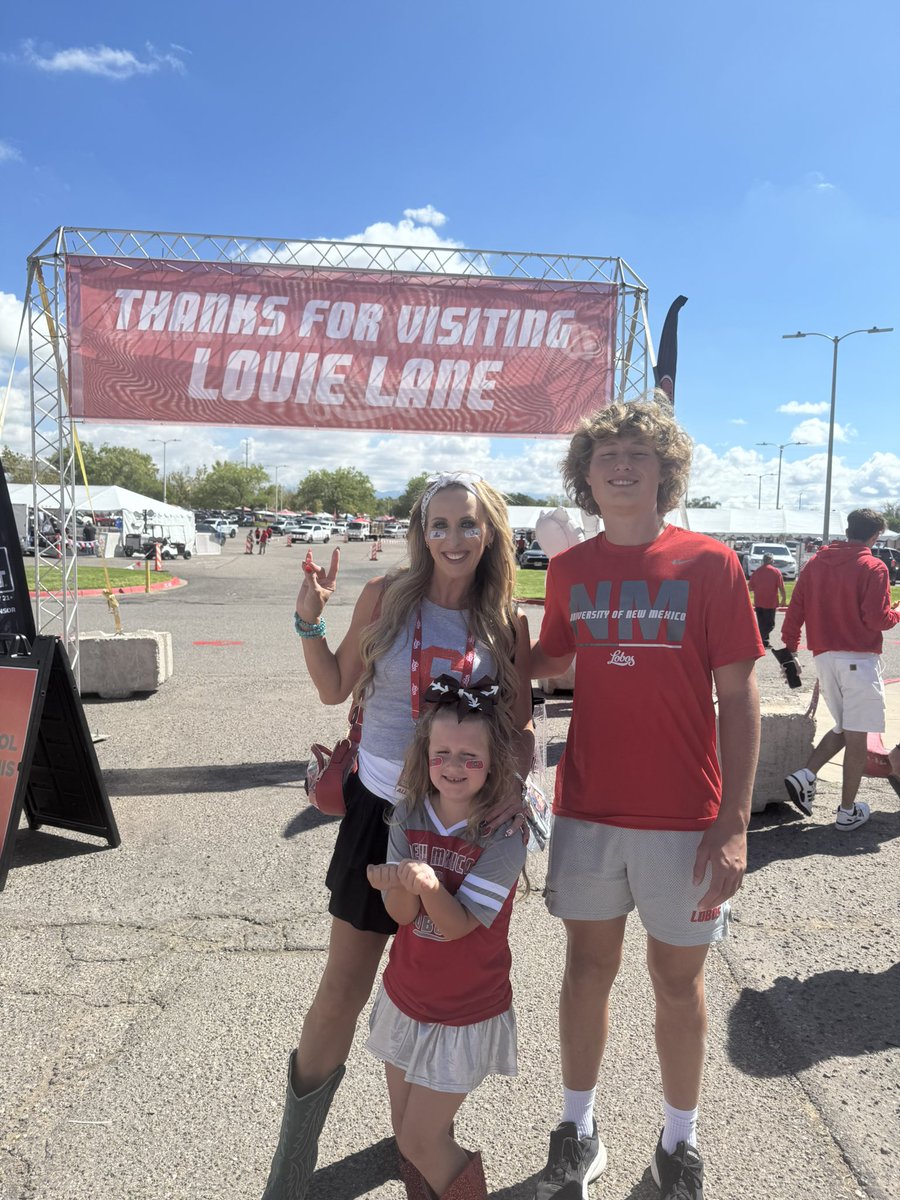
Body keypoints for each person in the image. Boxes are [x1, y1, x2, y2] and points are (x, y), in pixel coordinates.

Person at [261, 472, 534, 1200]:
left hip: (455, 830)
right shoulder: (386, 597)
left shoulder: (506, 622)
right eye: (438, 525)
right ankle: (291, 1168)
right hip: (378, 814)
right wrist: (308, 622)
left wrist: (516, 788)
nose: (453, 538)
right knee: (343, 990)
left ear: (490, 532)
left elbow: (518, 726)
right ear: (421, 533)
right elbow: (333, 687)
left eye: (467, 524)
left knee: (431, 992)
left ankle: (419, 1148)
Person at [529, 397, 763, 1200]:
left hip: (686, 820)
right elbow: (547, 659)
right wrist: (473, 638)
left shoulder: (711, 564)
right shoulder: (570, 571)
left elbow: (740, 698)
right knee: (586, 971)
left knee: (677, 983)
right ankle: (578, 1128)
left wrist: (735, 822)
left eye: (639, 453)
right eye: (607, 455)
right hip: (589, 809)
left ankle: (678, 1141)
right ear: (586, 477)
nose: (623, 465)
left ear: (666, 471)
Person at [366, 674, 528, 1200]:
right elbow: (403, 916)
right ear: (425, 754)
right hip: (407, 995)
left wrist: (428, 883)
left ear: (495, 762)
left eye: (469, 757)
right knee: (407, 1132)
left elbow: (457, 926)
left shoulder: (504, 834)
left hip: (465, 1009)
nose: (454, 766)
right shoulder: (408, 813)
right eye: (442, 754)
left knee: (420, 1138)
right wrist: (397, 885)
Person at [782, 508, 900, 831]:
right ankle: (847, 811)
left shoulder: (815, 562)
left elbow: (795, 609)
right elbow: (877, 618)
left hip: (824, 658)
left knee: (845, 727)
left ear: (848, 530)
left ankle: (806, 774)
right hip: (858, 659)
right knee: (857, 735)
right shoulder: (874, 566)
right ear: (874, 536)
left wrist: (790, 647)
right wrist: (896, 613)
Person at [747, 552, 786, 647]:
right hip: (770, 602)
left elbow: (750, 587)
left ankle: (764, 642)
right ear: (772, 561)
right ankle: (759, 639)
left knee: (762, 624)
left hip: (759, 601)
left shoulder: (757, 572)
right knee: (770, 624)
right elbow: (781, 587)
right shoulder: (776, 571)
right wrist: (783, 598)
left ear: (763, 561)